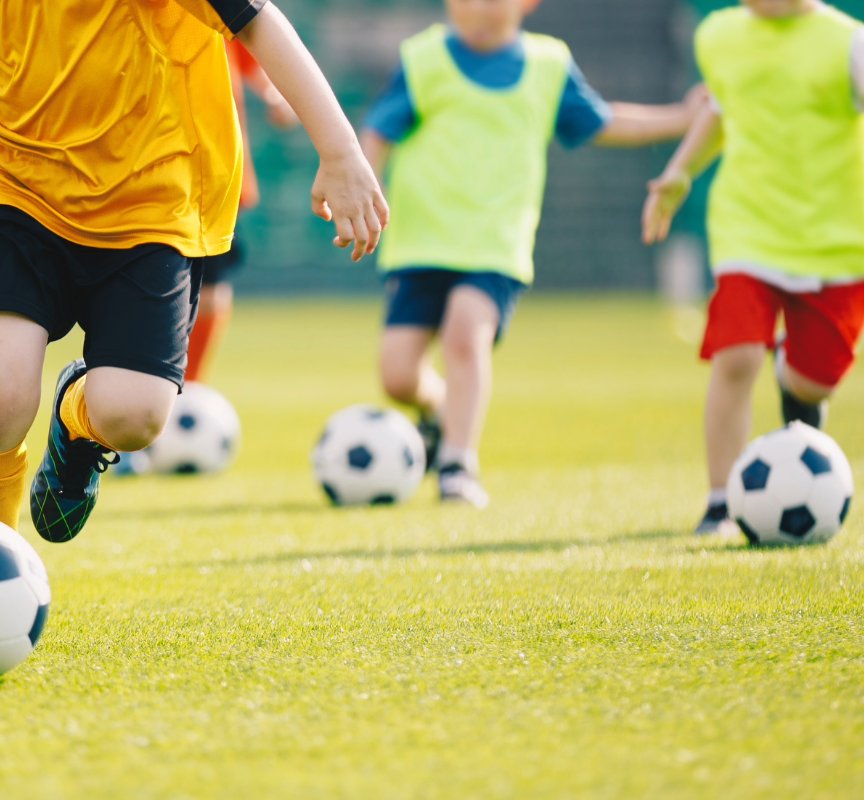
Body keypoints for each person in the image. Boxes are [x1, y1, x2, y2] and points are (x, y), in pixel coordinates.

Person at [0, 0, 388, 540]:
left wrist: (341, 152)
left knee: (134, 418)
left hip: (153, 204)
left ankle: (76, 424)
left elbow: (258, 20)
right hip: (18, 193)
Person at [362, 0, 703, 508]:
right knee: (397, 376)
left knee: (465, 335)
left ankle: (458, 464)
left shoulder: (548, 65)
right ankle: (439, 411)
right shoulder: (422, 59)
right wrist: (363, 185)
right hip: (421, 242)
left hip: (495, 245)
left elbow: (604, 121)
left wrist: (681, 118)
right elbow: (377, 132)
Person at [643, 0, 864, 536]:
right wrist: (680, 172)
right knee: (736, 358)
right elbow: (722, 108)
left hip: (836, 244)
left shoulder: (849, 44)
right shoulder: (719, 35)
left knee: (814, 382)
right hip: (749, 230)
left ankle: (794, 377)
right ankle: (721, 501)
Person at [185, 40, 299, 387]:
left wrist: (272, 93)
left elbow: (250, 44)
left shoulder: (216, 10)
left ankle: (189, 387)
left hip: (217, 170)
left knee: (211, 291)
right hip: (147, 167)